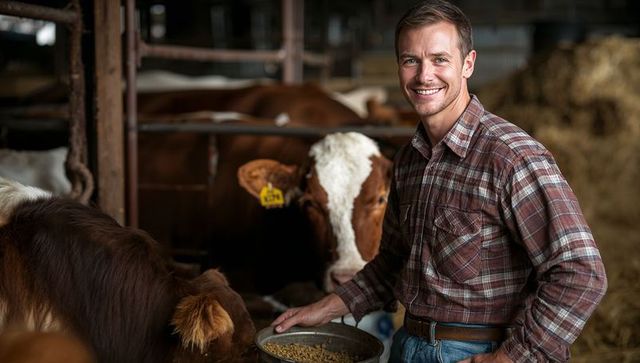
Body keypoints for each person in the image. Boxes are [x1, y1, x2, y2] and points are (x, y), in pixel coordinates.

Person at [271, 1, 608, 362]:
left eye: (439, 59)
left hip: (480, 350)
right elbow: (394, 263)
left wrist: (510, 358)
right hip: (409, 344)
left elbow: (580, 273)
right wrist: (325, 308)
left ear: (468, 64)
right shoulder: (407, 161)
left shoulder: (510, 157)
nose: (423, 76)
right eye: (410, 60)